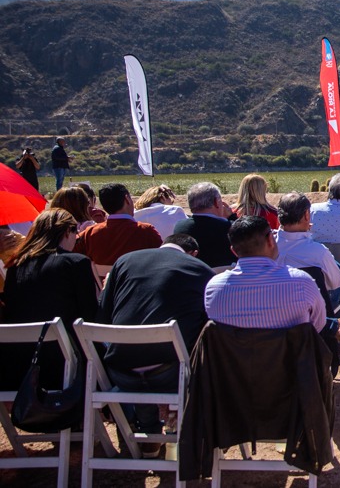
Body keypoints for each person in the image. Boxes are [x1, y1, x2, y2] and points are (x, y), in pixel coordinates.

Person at [97, 234, 215, 455]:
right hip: (171, 373)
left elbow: (103, 315)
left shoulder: (125, 261)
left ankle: (148, 432)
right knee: (180, 354)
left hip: (120, 370)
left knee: (139, 359)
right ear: (192, 253)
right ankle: (175, 430)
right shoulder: (199, 269)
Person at [203, 216, 340, 341]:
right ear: (270, 240)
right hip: (291, 371)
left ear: (234, 251)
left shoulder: (213, 287)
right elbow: (318, 325)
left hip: (235, 373)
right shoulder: (301, 282)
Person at [1, 209, 98, 389]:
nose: (77, 238)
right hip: (64, 364)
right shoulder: (76, 263)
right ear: (65, 231)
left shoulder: (16, 266)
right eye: (75, 231)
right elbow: (89, 317)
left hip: (18, 364)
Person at [74, 183, 162, 268]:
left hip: (101, 281)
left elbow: (70, 252)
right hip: (134, 281)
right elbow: (163, 258)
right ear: (127, 199)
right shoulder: (146, 231)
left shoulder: (89, 234)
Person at [173, 182, 236, 269]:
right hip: (223, 277)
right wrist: (232, 217)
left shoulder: (180, 226)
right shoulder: (228, 227)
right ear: (217, 202)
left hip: (190, 276)